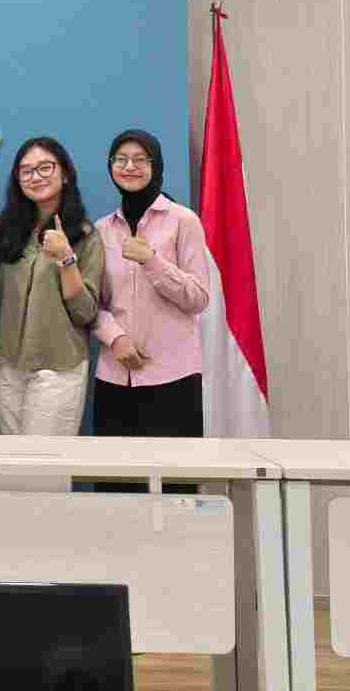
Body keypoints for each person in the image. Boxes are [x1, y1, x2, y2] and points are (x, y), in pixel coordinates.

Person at [93, 129, 211, 490]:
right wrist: (115, 338)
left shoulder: (183, 221)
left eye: (139, 159)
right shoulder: (102, 229)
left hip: (172, 377)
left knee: (175, 486)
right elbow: (92, 303)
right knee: (116, 487)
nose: (129, 167)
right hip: (115, 377)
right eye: (120, 159)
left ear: (155, 165)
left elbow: (198, 297)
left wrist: (152, 261)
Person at [0, 137, 103, 436]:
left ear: (65, 174)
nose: (35, 177)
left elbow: (85, 312)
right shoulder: (7, 232)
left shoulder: (85, 235)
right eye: (26, 171)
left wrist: (66, 258)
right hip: (6, 363)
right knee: (6, 460)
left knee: (43, 462)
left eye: (45, 167)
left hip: (57, 367)